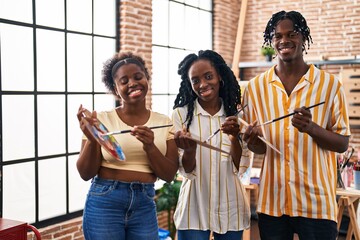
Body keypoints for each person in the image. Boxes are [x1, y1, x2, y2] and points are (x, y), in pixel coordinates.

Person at [242, 10, 351, 240]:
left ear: (304, 38)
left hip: (317, 204)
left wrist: (312, 128)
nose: (284, 40)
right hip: (272, 203)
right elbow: (260, 148)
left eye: (292, 34)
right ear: (271, 41)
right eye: (277, 36)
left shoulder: (330, 86)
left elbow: (342, 144)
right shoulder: (255, 89)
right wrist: (252, 140)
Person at [76, 52, 179, 240]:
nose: (132, 83)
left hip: (144, 204)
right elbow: (85, 174)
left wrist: (150, 146)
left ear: (147, 79)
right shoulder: (99, 120)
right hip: (105, 202)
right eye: (124, 81)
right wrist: (93, 139)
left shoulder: (164, 122)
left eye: (138, 77)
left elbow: (169, 174)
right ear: (116, 90)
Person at [172, 50, 251, 240]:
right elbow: (186, 171)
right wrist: (189, 151)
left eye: (208, 77)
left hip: (231, 206)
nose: (203, 84)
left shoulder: (238, 116)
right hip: (194, 207)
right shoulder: (181, 116)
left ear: (220, 77)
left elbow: (240, 168)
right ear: (190, 85)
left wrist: (234, 138)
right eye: (195, 80)